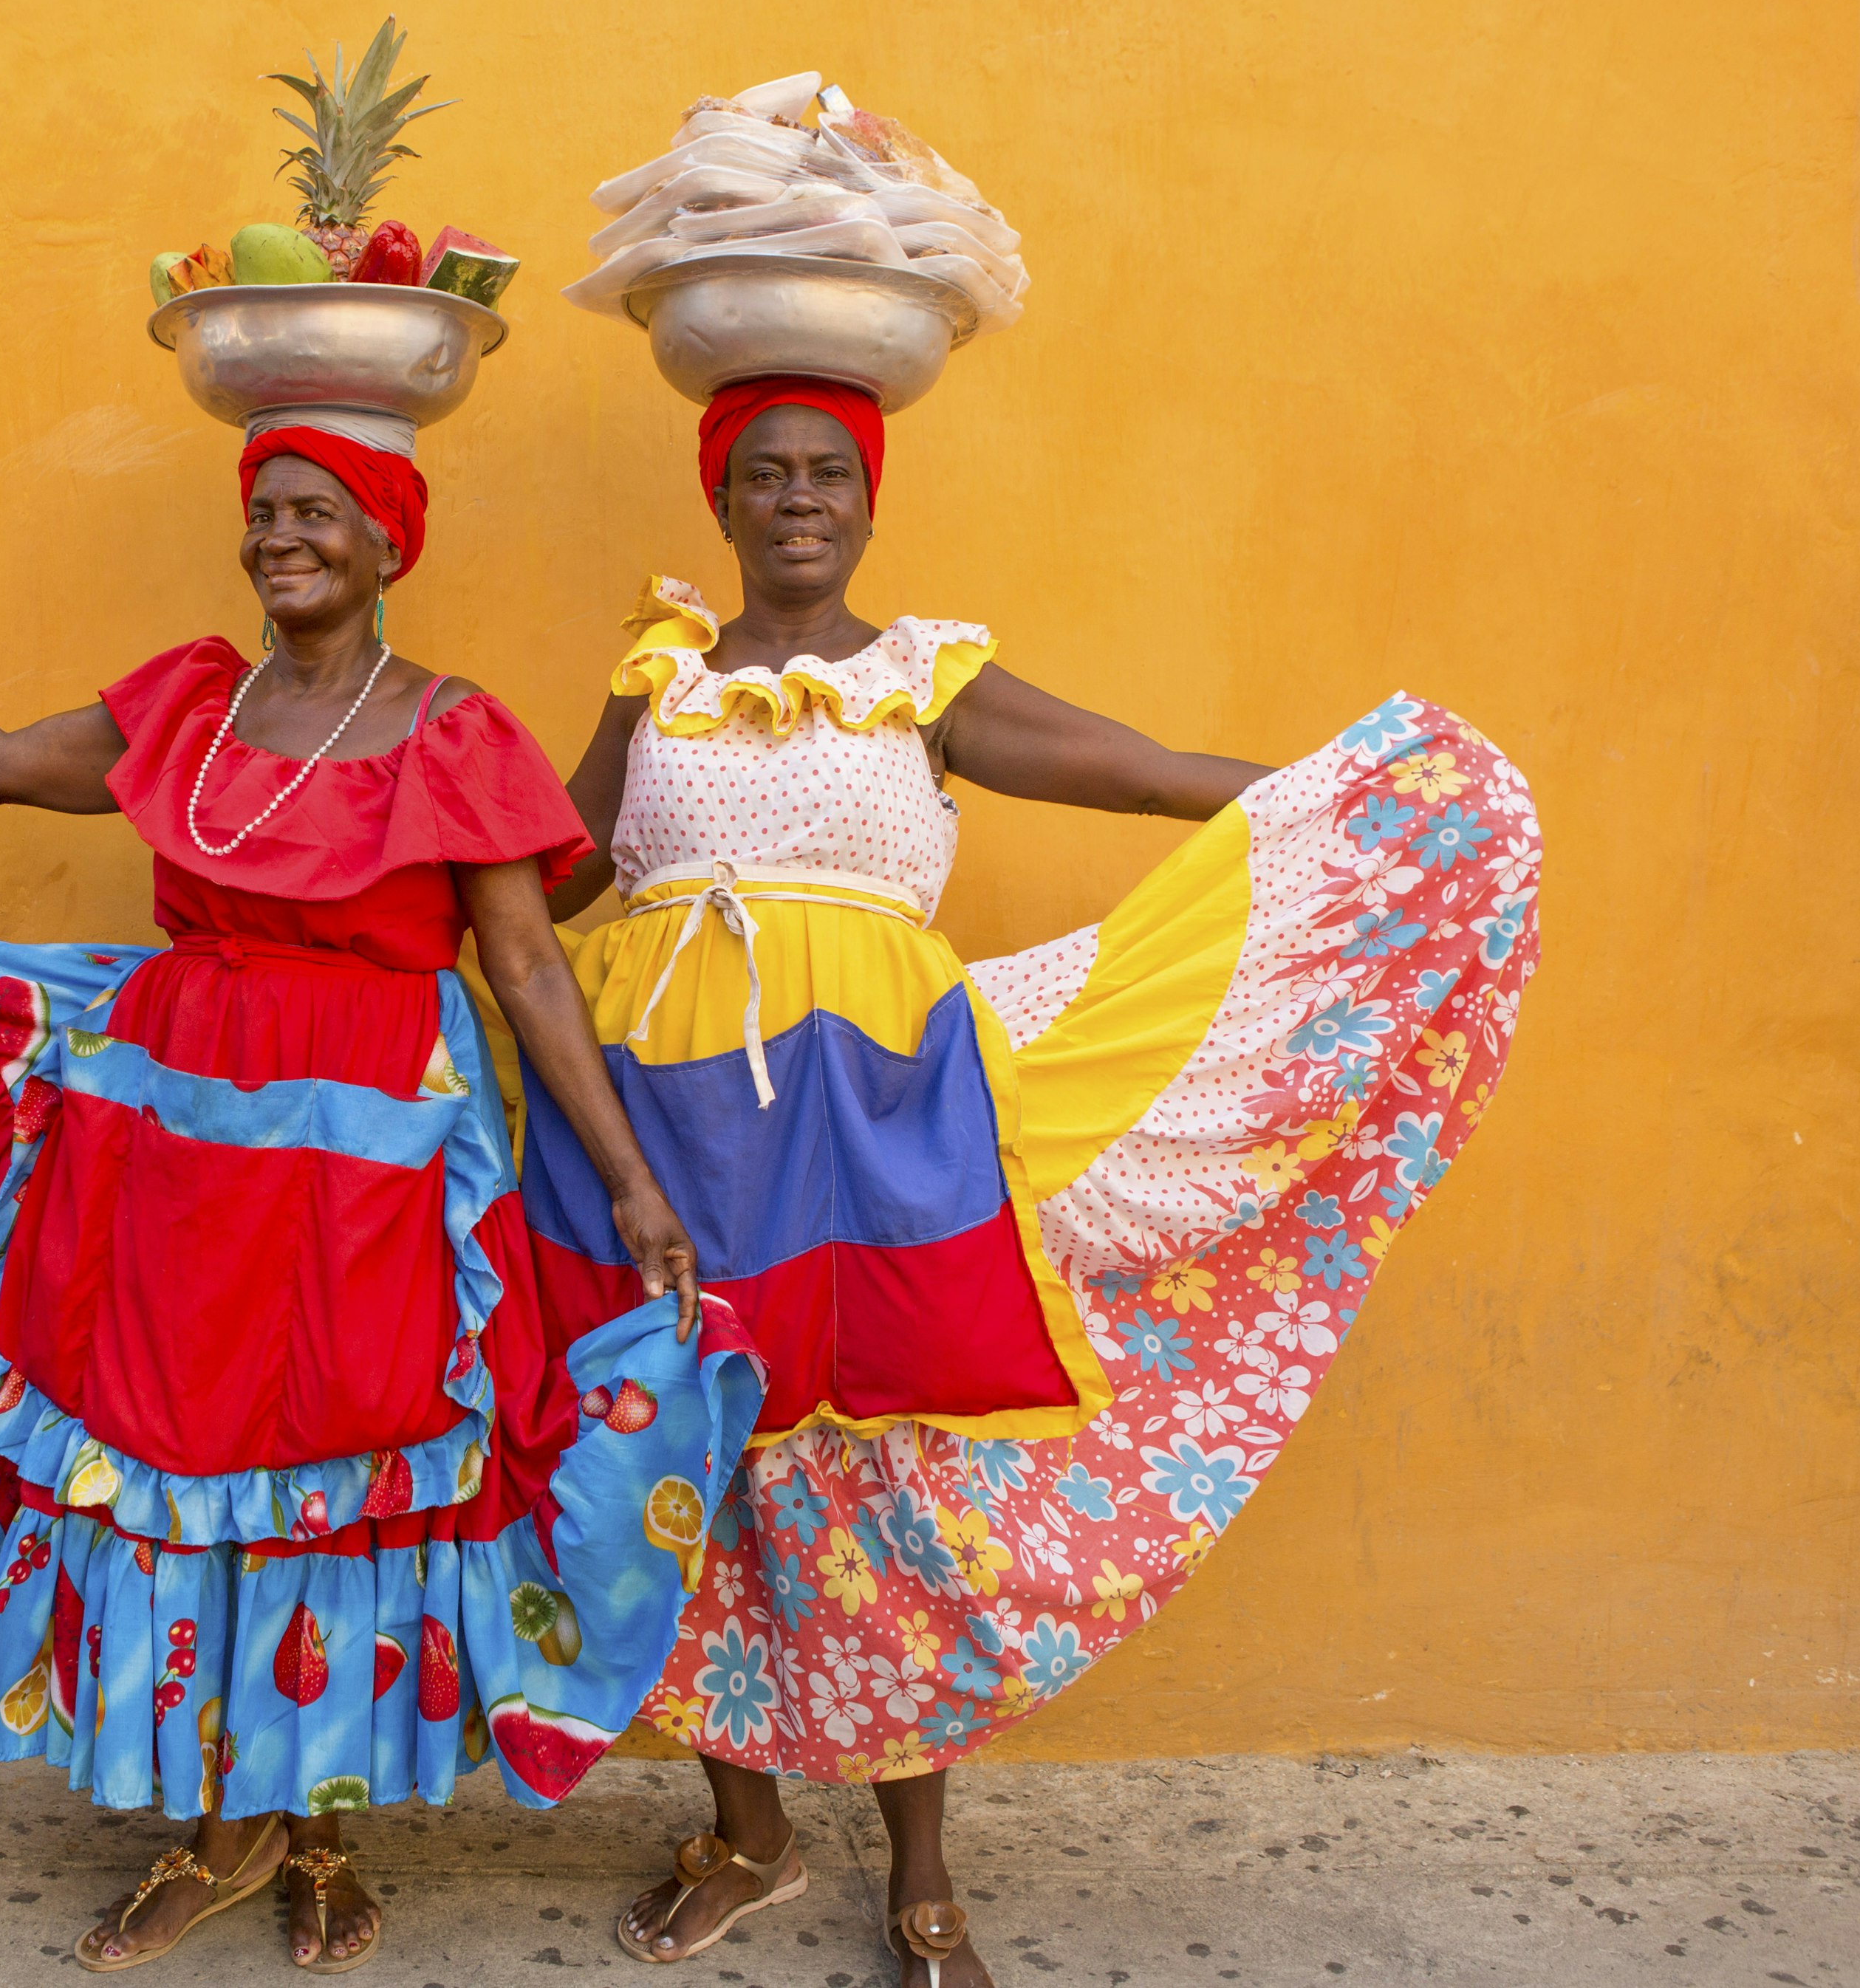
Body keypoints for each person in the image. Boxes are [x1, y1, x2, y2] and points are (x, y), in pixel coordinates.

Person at [0, 409, 765, 1977]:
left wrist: (626, 1185)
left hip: (375, 1168)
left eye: (318, 513)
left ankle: (317, 1821)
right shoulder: (191, 703)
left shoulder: (452, 729)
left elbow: (529, 963)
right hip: (168, 1147)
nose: (283, 537)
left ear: (389, 541)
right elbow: (3, 766)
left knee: (336, 1467)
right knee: (183, 1452)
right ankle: (225, 1827)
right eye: (264, 512)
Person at [507, 378, 1541, 1988]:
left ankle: (921, 1874)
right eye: (765, 472)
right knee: (688, 1471)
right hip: (657, 1130)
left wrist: (1322, 801)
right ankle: (749, 1833)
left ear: (869, 499)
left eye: (829, 473)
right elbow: (544, 881)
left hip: (873, 1135)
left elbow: (1125, 770)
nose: (797, 498)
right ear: (719, 499)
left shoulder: (925, 679)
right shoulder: (654, 685)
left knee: (891, 1480)